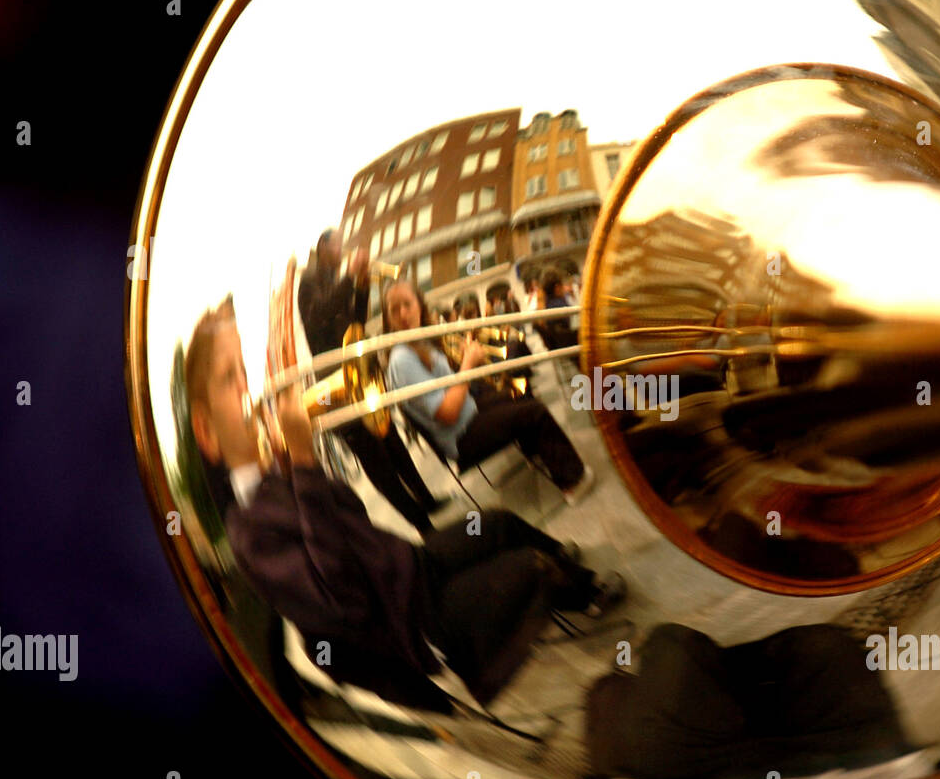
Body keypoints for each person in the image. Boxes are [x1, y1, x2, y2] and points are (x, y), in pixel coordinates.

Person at [183, 298, 623, 710]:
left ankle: (580, 586)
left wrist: (297, 465)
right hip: (415, 622)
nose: (250, 388)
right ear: (206, 431)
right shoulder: (247, 534)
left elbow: (354, 516)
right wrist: (303, 465)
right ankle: (558, 580)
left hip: (412, 567)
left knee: (499, 524)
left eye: (245, 371)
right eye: (229, 379)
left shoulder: (273, 476)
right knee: (528, 564)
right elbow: (344, 597)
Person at [382, 277, 594, 503]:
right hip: (460, 436)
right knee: (535, 412)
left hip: (467, 412)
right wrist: (468, 364)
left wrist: (464, 358)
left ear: (419, 304)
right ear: (387, 317)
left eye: (408, 304)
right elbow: (447, 413)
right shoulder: (402, 359)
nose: (403, 314)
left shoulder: (419, 341)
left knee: (520, 393)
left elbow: (447, 385)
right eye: (395, 309)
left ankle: (539, 452)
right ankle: (574, 482)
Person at [296, 228, 438, 531]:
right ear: (323, 248)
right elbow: (318, 315)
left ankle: (427, 499)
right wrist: (350, 276)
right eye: (338, 246)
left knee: (391, 439)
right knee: (377, 462)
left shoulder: (335, 281)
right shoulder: (309, 281)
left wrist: (361, 288)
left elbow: (355, 324)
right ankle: (422, 524)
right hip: (337, 386)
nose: (343, 250)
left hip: (358, 374)